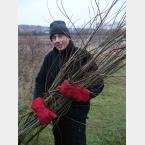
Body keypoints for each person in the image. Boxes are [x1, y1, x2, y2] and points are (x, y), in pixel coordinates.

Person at [31, 20, 104, 145]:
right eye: (53, 38)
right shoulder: (50, 57)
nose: (57, 40)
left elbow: (99, 84)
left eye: (60, 36)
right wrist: (38, 101)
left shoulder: (82, 55)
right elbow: (40, 80)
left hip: (76, 116)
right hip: (56, 114)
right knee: (59, 141)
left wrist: (80, 93)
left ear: (67, 36)